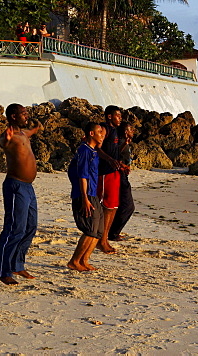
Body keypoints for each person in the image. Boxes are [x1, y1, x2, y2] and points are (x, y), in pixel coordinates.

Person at [0, 103, 42, 285]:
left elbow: (31, 132)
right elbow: (2, 142)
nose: (26, 116)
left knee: (30, 226)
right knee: (14, 229)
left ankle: (17, 264)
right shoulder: (9, 136)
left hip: (29, 187)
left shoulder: (23, 133)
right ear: (13, 116)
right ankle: (2, 271)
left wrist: (36, 127)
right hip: (15, 186)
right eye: (23, 114)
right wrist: (5, 139)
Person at [67, 123, 107, 271]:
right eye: (99, 132)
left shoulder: (93, 151)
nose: (102, 135)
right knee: (90, 229)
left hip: (93, 193)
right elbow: (82, 176)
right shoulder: (84, 151)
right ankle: (75, 261)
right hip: (84, 195)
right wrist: (84, 199)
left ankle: (84, 259)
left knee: (98, 231)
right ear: (91, 133)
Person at [97, 105, 129, 254]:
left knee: (113, 207)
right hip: (104, 172)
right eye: (117, 115)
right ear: (109, 116)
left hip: (115, 171)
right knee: (106, 207)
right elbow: (97, 147)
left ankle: (105, 238)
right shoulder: (104, 129)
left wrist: (120, 163)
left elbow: (114, 152)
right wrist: (109, 160)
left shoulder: (115, 131)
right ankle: (101, 240)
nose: (120, 118)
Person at [108, 121, 136, 242]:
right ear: (125, 132)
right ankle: (113, 233)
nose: (133, 132)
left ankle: (112, 232)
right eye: (131, 130)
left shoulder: (123, 142)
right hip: (119, 176)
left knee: (121, 205)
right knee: (128, 206)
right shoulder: (119, 142)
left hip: (122, 176)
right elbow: (114, 155)